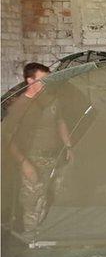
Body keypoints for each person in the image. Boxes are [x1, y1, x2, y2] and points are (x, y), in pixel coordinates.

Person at [5, 63, 75, 237]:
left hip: (55, 157)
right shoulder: (19, 106)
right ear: (30, 81)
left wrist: (68, 146)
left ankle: (51, 235)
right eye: (44, 80)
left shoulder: (52, 100)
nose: (48, 83)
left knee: (56, 196)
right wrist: (24, 164)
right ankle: (32, 239)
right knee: (33, 202)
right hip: (32, 159)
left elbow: (60, 122)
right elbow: (7, 139)